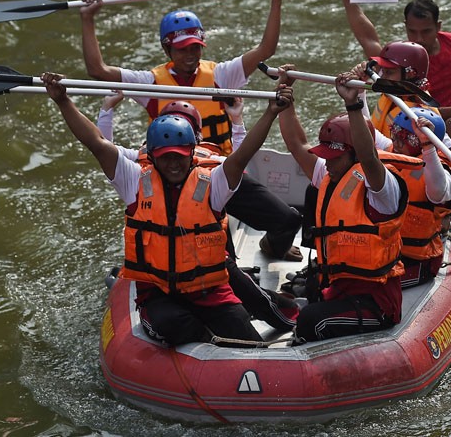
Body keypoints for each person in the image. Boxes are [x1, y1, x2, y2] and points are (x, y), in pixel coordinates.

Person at [41, 70, 294, 347]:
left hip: (209, 291)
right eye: (165, 158)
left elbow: (242, 155)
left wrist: (270, 113)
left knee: (247, 339)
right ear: (152, 156)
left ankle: (267, 317)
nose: (173, 164)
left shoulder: (213, 182)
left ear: (191, 153)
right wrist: (63, 101)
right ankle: (203, 335)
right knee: (173, 324)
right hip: (160, 293)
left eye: (180, 157)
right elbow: (96, 144)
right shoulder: (134, 180)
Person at [95, 94, 301, 332]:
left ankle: (287, 315)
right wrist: (105, 110)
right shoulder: (137, 173)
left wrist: (242, 120)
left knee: (240, 280)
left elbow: (242, 156)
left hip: (204, 258)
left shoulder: (211, 170)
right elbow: (103, 148)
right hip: (163, 275)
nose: (173, 162)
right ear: (154, 151)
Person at [275, 65, 417, 344]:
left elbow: (368, 156)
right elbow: (296, 144)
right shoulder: (330, 173)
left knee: (310, 321)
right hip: (337, 290)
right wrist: (286, 101)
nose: (326, 162)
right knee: (289, 299)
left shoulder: (380, 188)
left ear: (352, 154)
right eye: (325, 156)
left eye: (334, 157)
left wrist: (353, 104)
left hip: (376, 304)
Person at [78, 0, 291, 155]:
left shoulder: (223, 75)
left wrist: (277, 1)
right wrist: (88, 19)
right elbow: (98, 70)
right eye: (182, 49)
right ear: (166, 49)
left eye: (195, 48)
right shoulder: (150, 83)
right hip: (172, 168)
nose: (190, 55)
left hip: (218, 167)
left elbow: (266, 50)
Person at [338, 0, 451, 212]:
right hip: (391, 148)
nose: (419, 38)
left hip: (439, 129)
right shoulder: (396, 66)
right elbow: (367, 36)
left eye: (426, 31)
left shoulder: (421, 102)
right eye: (412, 31)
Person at [349, 40, 451, 214]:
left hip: (408, 186)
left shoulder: (422, 113)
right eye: (382, 71)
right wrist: (360, 91)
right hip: (383, 171)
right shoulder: (391, 95)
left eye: (389, 72)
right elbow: (367, 132)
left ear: (409, 75)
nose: (381, 76)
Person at [383, 107, 451, 287]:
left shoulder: (441, 174)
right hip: (387, 254)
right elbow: (367, 136)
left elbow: (438, 192)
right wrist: (358, 99)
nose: (395, 142)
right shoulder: (394, 150)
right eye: (393, 134)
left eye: (403, 138)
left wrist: (428, 146)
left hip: (417, 262)